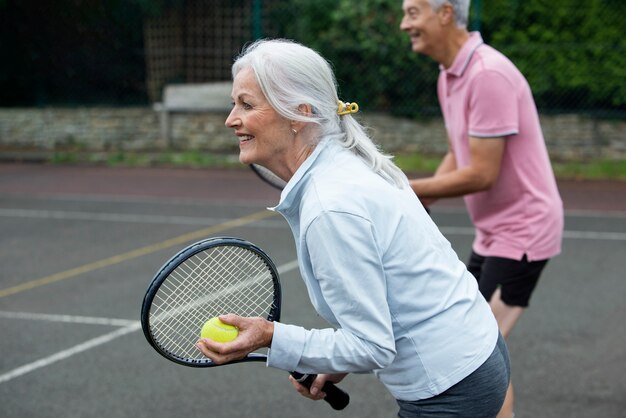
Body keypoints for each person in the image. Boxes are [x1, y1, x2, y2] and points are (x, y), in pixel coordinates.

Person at [196, 38, 510, 417]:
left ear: (298, 114)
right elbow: (397, 292)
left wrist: (270, 336)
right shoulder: (347, 162)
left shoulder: (331, 206)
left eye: (246, 104)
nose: (231, 118)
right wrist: (333, 360)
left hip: (451, 387)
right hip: (477, 353)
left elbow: (373, 346)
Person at [400, 1, 564, 417]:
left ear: (444, 14)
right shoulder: (449, 74)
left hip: (525, 230)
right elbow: (461, 151)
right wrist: (422, 197)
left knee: (481, 351)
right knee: (469, 341)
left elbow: (483, 173)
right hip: (493, 232)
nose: (405, 24)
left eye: (413, 12)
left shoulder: (487, 74)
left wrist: (404, 188)